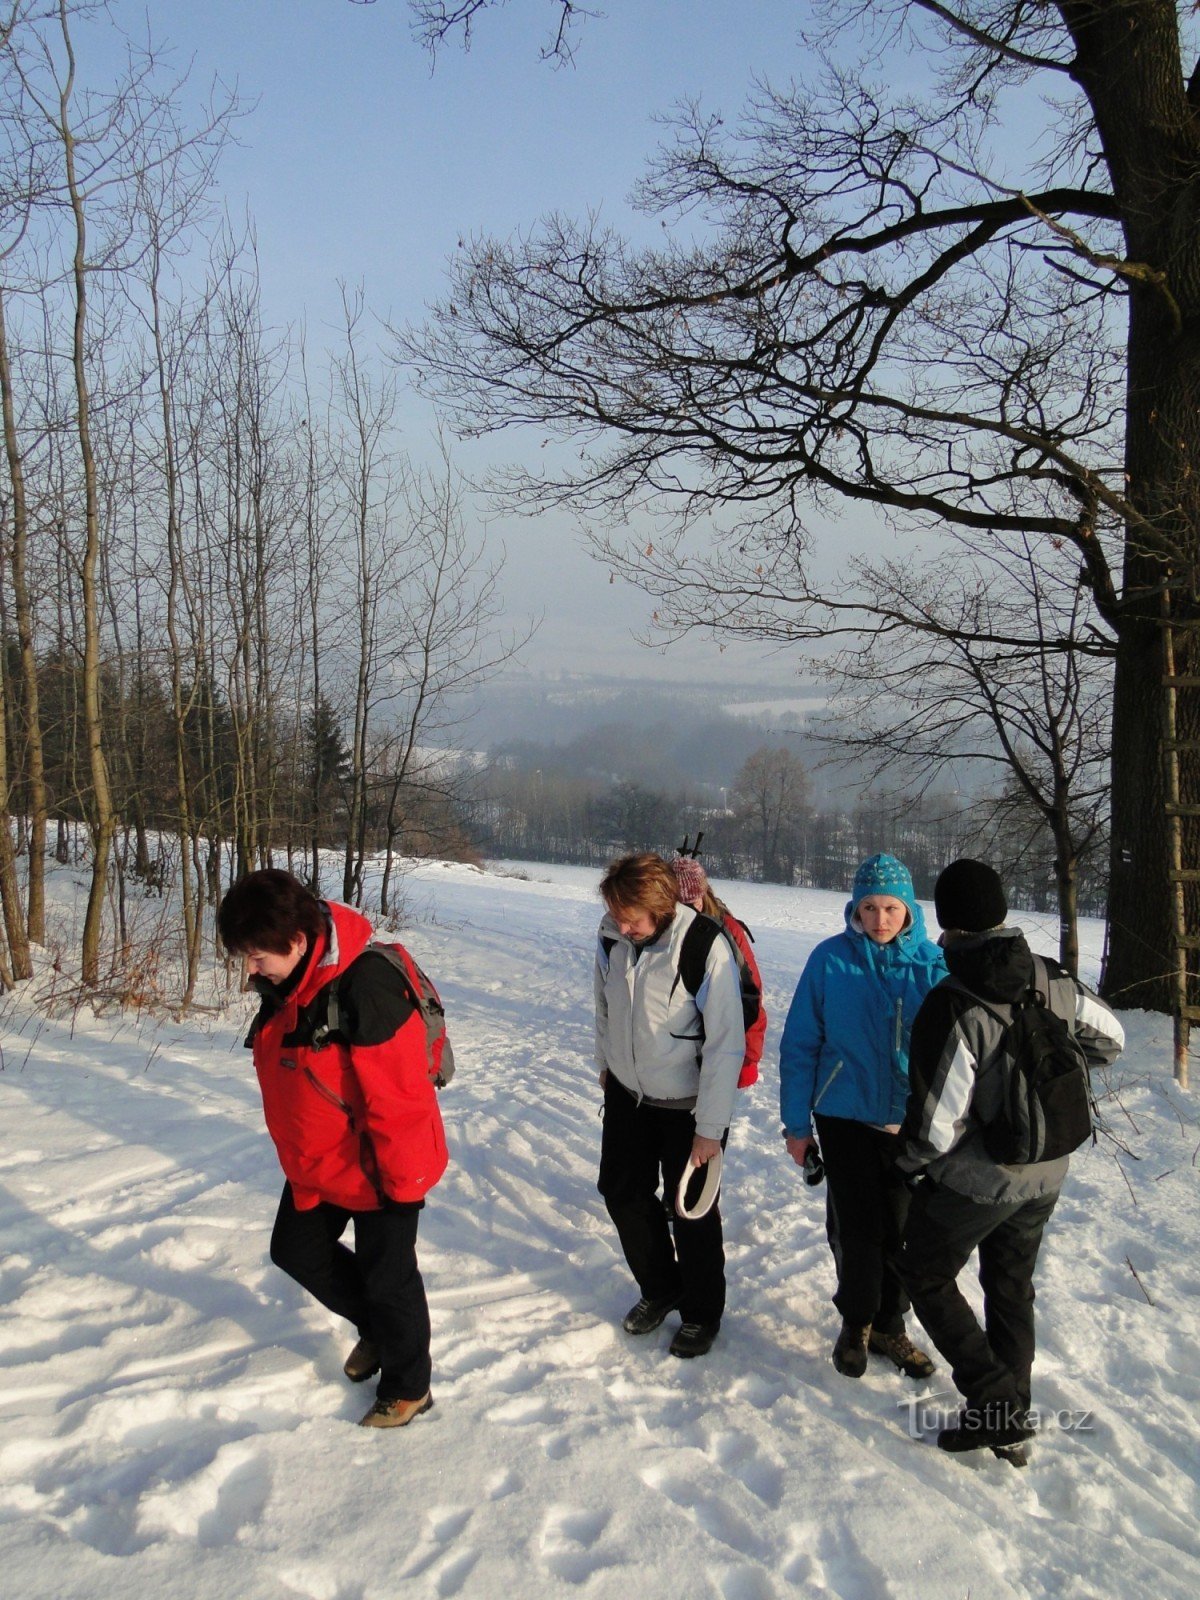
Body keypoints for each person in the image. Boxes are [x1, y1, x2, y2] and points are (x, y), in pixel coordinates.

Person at [897, 858, 1124, 1460]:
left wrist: (903, 1165)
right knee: (1010, 1286)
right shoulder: (1048, 977)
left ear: (946, 923)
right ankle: (1007, 1419)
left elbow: (936, 1126)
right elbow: (1111, 1039)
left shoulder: (952, 1003)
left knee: (924, 1272)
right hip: (1046, 1171)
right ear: (1000, 914)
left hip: (978, 1179)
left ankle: (996, 1402)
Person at [218, 869, 448, 1430]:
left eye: (255, 956)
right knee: (296, 1251)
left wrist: (403, 1188)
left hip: (381, 1166)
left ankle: (409, 1385)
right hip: (320, 1160)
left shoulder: (364, 987)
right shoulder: (287, 983)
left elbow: (400, 1102)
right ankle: (379, 1330)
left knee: (389, 1279)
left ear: (297, 942)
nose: (249, 968)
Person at [779, 853, 947, 1379]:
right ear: (855, 907)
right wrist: (796, 1125)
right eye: (869, 907)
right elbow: (800, 1045)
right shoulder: (830, 960)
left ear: (909, 910)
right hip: (844, 1114)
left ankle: (891, 1327)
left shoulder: (933, 967)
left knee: (900, 1230)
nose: (880, 919)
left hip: (909, 1121)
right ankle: (856, 1324)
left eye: (891, 908)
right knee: (857, 1227)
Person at [594, 852, 746, 1358]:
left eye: (631, 915)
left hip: (688, 1105)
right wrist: (607, 1062)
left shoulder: (704, 944)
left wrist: (711, 1127)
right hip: (628, 1094)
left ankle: (702, 1313)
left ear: (659, 905)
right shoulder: (612, 936)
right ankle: (662, 1287)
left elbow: (727, 1043)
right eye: (616, 911)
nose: (622, 922)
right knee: (621, 1191)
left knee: (692, 1213)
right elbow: (604, 1002)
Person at [670, 853, 766, 1088]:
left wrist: (746, 1060)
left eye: (692, 902)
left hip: (716, 1054)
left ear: (703, 895)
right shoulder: (659, 932)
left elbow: (750, 996)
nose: (686, 911)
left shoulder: (726, 931)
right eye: (678, 904)